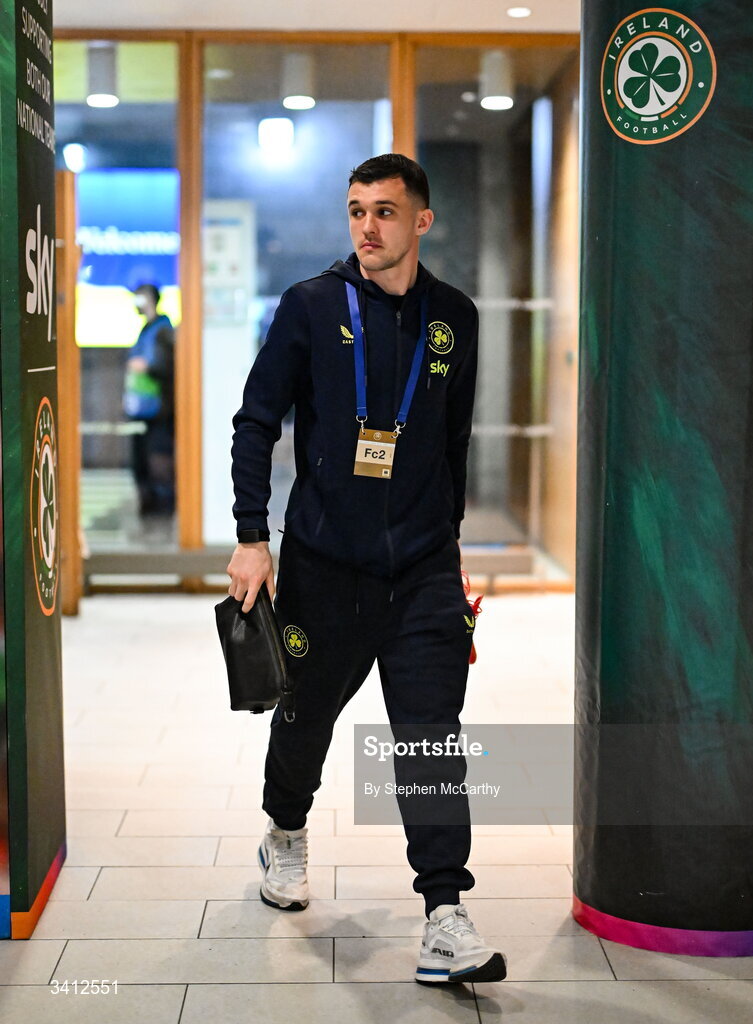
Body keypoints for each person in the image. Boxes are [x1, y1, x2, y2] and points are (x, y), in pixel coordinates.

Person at [227, 153, 506, 984]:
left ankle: (444, 911)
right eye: (356, 211)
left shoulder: (454, 317)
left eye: (384, 211)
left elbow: (451, 449)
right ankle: (284, 829)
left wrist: (449, 558)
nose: (367, 227)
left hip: (421, 570)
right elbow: (255, 421)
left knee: (429, 738)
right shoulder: (312, 306)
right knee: (304, 720)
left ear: (421, 221)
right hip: (325, 566)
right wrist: (252, 533)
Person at [124, 283, 176, 524]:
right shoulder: (146, 330)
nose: (137, 304)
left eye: (141, 299)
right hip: (140, 408)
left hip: (159, 409)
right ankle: (150, 506)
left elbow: (169, 368)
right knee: (141, 460)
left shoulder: (163, 331)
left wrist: (148, 367)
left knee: (159, 458)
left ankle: (163, 508)